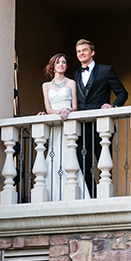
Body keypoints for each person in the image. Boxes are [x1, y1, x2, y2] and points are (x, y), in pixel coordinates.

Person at [72, 39, 128, 197]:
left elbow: (123, 93)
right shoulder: (74, 75)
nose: (81, 53)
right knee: (83, 164)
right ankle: (92, 195)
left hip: (101, 126)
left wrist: (113, 107)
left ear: (92, 52)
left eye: (84, 50)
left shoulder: (106, 70)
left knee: (104, 162)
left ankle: (106, 196)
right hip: (81, 127)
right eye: (78, 51)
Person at [41, 53, 88, 200]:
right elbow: (48, 108)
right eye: (58, 62)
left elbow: (75, 106)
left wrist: (67, 111)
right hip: (56, 124)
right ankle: (53, 194)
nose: (61, 64)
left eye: (64, 62)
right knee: (53, 154)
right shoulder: (46, 86)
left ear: (66, 66)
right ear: (53, 67)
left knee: (69, 155)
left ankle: (74, 192)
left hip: (68, 122)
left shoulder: (71, 83)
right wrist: (57, 113)